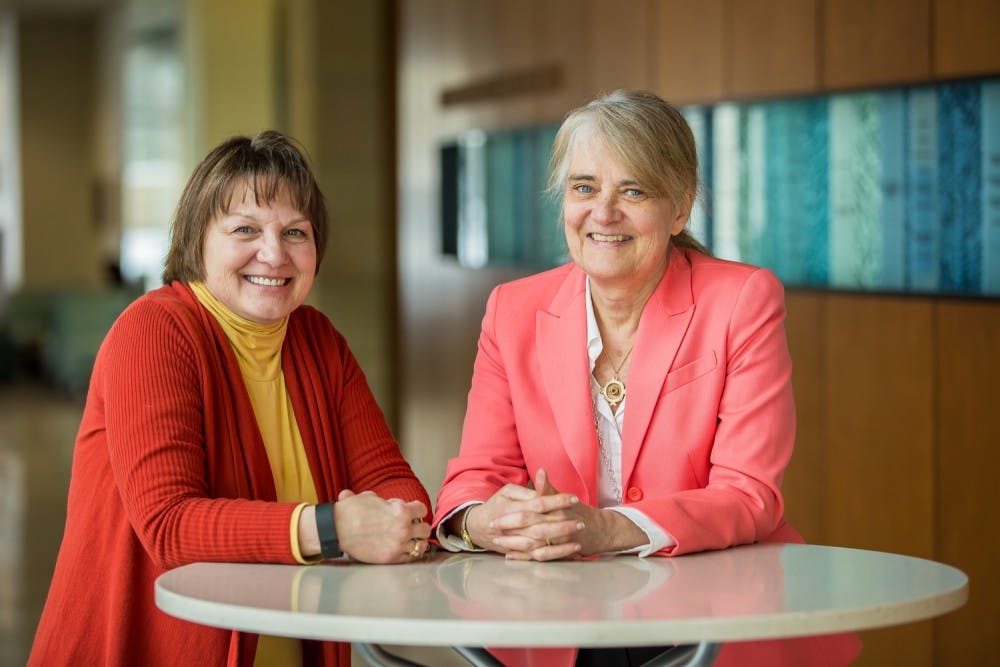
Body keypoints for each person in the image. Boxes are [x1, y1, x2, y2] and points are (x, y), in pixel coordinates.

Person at [432, 90, 862, 666]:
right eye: (585, 188)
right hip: (559, 623)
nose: (603, 213)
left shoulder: (741, 300)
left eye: (633, 191)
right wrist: (492, 522)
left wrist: (608, 529)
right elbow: (474, 477)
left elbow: (748, 494)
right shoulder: (513, 310)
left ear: (679, 208)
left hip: (714, 618)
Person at [29, 130, 432, 667]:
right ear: (197, 239)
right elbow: (170, 527)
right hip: (150, 647)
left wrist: (393, 525)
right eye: (245, 228)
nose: (274, 253)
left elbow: (398, 490)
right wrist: (335, 528)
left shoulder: (318, 340)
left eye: (296, 232)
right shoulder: (151, 333)